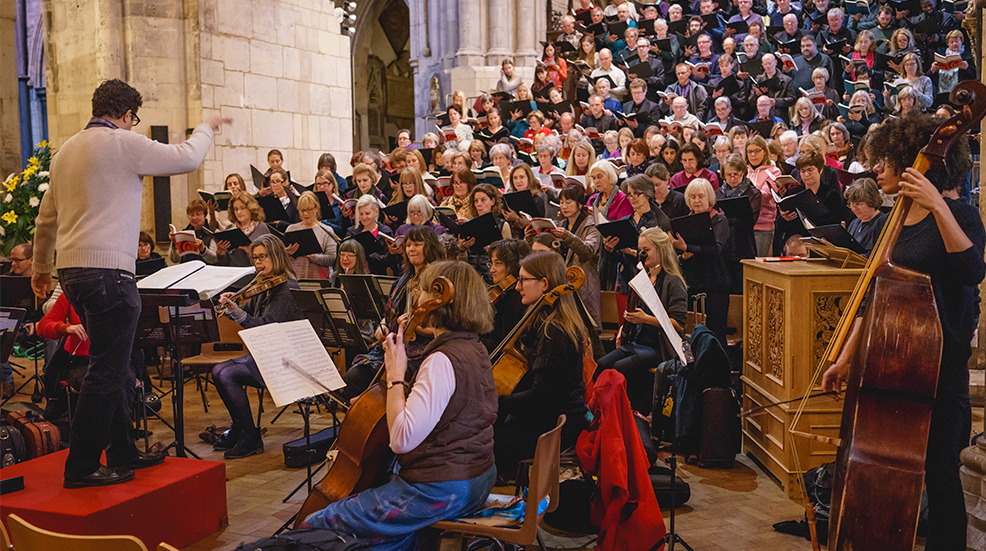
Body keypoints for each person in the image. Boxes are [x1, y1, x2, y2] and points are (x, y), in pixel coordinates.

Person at [32, 79, 229, 488]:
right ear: (125, 115)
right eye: (133, 118)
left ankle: (123, 452)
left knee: (117, 367)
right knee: (107, 370)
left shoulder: (65, 151)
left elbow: (45, 219)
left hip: (73, 274)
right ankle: (82, 466)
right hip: (109, 273)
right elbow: (187, 158)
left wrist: (39, 268)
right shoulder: (122, 142)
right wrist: (207, 126)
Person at [821, 114, 983, 551]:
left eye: (884, 161)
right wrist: (845, 357)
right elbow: (876, 293)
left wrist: (937, 204)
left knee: (941, 472)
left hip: (940, 366)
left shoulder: (962, 215)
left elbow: (972, 271)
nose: (876, 170)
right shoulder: (895, 220)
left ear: (915, 162)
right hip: (895, 365)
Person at [301, 260, 497, 550]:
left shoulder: (442, 360)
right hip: (477, 476)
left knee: (316, 523)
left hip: (440, 488)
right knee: (387, 542)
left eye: (422, 290)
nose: (416, 298)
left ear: (440, 299)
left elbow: (402, 440)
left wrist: (395, 376)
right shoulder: (473, 346)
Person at [495, 250, 590, 479]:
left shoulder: (554, 332)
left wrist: (498, 401)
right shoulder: (544, 323)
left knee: (481, 447)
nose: (518, 287)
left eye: (523, 280)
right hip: (549, 417)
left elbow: (540, 397)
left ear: (545, 284)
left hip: (557, 425)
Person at [212, 235, 304, 459]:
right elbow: (249, 315)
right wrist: (233, 304)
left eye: (263, 257)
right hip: (266, 355)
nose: (258, 263)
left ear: (276, 257)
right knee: (218, 371)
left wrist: (238, 313)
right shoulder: (264, 286)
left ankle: (250, 435)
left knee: (225, 374)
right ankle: (242, 428)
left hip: (286, 361)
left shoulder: (287, 288)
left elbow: (263, 327)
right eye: (255, 258)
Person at [595, 227, 687, 411]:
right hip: (638, 342)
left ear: (661, 250)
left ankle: (625, 412)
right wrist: (624, 328)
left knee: (620, 368)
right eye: (640, 249)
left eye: (646, 249)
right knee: (603, 364)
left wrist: (646, 319)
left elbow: (678, 325)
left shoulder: (672, 281)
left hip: (659, 346)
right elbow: (633, 310)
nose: (641, 254)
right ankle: (603, 411)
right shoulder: (642, 277)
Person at [527, 185, 602, 328]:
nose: (564, 206)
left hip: (583, 282)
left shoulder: (591, 224)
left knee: (585, 328)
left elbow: (589, 251)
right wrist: (530, 238)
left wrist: (569, 237)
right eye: (561, 202)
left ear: (580, 204)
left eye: (569, 202)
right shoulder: (559, 224)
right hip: (561, 282)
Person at [670, 178, 730, 346]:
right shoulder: (684, 221)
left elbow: (716, 249)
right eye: (693, 197)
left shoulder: (719, 220)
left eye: (701, 196)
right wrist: (683, 255)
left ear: (710, 198)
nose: (697, 200)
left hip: (715, 285)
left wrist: (687, 247)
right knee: (690, 335)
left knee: (715, 334)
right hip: (691, 283)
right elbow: (680, 254)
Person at [716, 153, 762, 294]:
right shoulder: (718, 193)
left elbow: (749, 222)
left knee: (742, 291)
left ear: (743, 172)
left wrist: (725, 217)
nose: (732, 178)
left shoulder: (753, 194)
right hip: (723, 250)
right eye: (728, 174)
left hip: (743, 248)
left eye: (736, 174)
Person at [483, 239, 533, 353]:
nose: (492, 270)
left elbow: (499, 343)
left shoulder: (516, 299)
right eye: (492, 263)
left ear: (513, 265)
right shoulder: (505, 294)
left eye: (498, 263)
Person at [285, 191, 339, 280]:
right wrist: (286, 253)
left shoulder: (326, 230)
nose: (305, 214)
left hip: (319, 280)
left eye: (309, 209)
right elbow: (281, 258)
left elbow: (331, 259)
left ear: (316, 208)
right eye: (302, 210)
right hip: (296, 279)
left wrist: (312, 257)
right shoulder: (291, 229)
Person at [217, 192, 272, 267]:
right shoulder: (230, 229)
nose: (239, 212)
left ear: (251, 208)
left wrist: (251, 252)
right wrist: (221, 252)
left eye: (242, 208)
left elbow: (270, 259)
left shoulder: (261, 228)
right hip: (234, 273)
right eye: (236, 209)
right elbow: (225, 263)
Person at [346, 195, 396, 275]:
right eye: (361, 214)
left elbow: (389, 260)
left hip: (378, 275)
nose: (364, 217)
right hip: (355, 275)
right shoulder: (352, 232)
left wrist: (367, 256)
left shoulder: (385, 232)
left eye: (367, 213)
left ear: (376, 212)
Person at [844, 178, 888, 256]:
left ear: (872, 201)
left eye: (859, 204)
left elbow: (870, 256)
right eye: (852, 204)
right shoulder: (855, 223)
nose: (855, 208)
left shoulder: (881, 224)